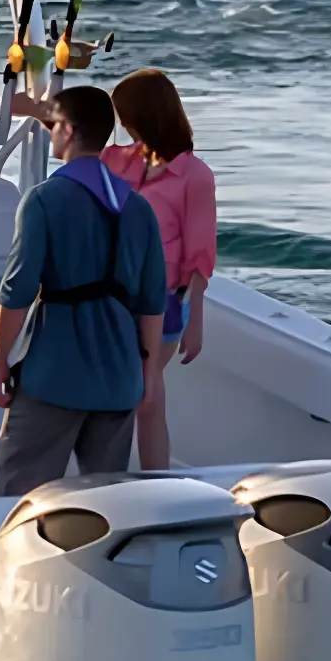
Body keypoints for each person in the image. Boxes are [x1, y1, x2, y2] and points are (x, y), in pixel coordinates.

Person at [0, 83, 167, 495]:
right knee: (104, 504)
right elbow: (152, 301)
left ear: (67, 131)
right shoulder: (139, 207)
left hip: (55, 375)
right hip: (120, 379)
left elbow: (16, 291)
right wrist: (148, 374)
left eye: (54, 125)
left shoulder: (44, 200)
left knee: (18, 497)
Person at [103, 67, 218, 471]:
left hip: (165, 300)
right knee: (143, 395)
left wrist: (195, 321)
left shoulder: (195, 177)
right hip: (117, 298)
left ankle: (154, 481)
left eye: (127, 116)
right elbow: (78, 151)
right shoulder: (121, 160)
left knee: (146, 396)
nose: (122, 125)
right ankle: (148, 478)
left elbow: (200, 252)